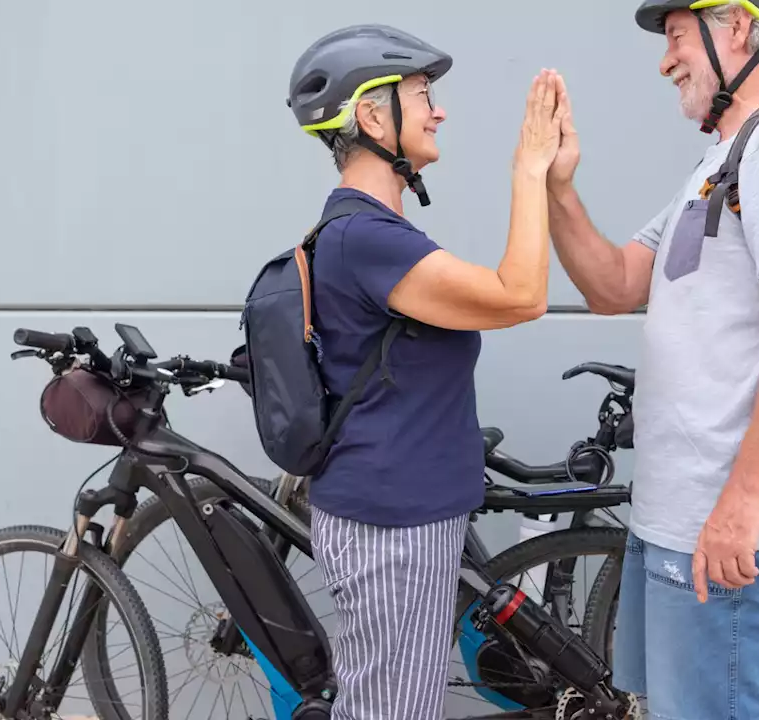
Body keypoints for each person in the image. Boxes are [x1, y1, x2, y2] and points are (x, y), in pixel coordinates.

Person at [543, 1, 759, 717]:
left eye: (677, 36)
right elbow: (615, 284)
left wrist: (742, 503)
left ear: (739, 27)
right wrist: (557, 186)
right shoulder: (726, 159)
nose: (665, 59)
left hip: (726, 528)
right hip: (681, 519)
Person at [284, 25, 567, 719]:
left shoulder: (373, 234)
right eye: (422, 94)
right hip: (391, 529)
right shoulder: (365, 238)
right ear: (373, 115)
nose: (438, 111)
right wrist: (529, 172)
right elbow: (522, 295)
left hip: (402, 518)